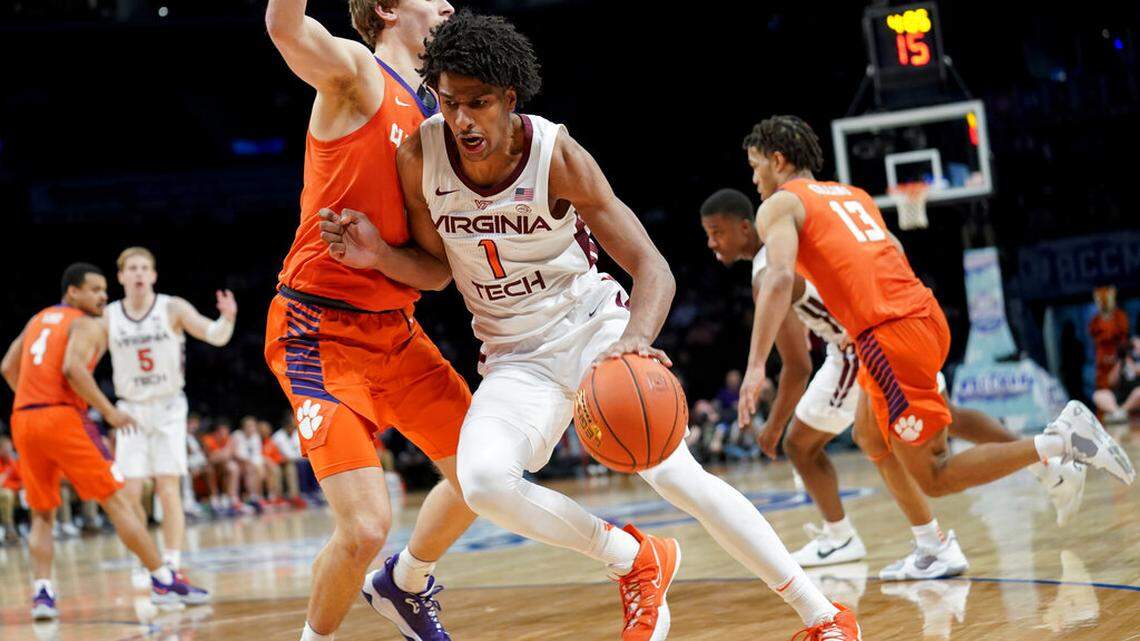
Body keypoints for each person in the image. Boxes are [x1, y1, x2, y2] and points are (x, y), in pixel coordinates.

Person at [321, 13, 861, 640]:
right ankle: (636, 561)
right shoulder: (420, 156)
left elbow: (652, 269)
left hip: (592, 332)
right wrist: (379, 257)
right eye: (449, 102)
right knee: (483, 482)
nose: (463, 119)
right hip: (513, 357)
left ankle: (822, 616)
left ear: (510, 99)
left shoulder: (558, 156)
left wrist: (634, 340)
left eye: (479, 103)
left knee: (673, 473)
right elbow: (438, 270)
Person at [737, 117, 1134, 561]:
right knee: (871, 436)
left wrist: (755, 368)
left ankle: (1063, 443)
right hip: (921, 314)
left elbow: (778, 279)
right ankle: (931, 547)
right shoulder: (854, 196)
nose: (754, 178)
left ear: (777, 159)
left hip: (887, 336)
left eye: (755, 166)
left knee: (935, 475)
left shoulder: (779, 204)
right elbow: (894, 253)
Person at [701, 187, 1086, 580]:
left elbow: (798, 366)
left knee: (808, 444)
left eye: (717, 232)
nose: (711, 242)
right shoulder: (813, 230)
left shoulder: (770, 268)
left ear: (746, 226)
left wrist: (774, 421)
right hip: (898, 324)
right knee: (929, 425)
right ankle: (1034, 473)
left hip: (861, 348)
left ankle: (850, 538)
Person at [263, 1, 478, 639]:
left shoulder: (439, 123)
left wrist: (382, 255)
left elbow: (435, 273)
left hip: (395, 331)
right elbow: (284, 28)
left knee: (488, 476)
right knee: (362, 528)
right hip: (316, 330)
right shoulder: (358, 75)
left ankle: (403, 583)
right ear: (386, 8)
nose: (446, 3)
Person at [0, 263, 207, 620]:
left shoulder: (37, 319)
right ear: (72, 293)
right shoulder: (83, 323)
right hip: (63, 418)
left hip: (24, 418)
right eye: (94, 289)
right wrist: (109, 412)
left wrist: (34, 400)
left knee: (42, 514)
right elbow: (72, 369)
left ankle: (43, 594)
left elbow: (7, 367)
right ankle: (162, 578)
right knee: (118, 504)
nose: (102, 296)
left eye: (104, 290)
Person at [104, 246, 236, 575]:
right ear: (121, 276)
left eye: (143, 268)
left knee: (167, 486)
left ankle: (172, 560)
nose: (137, 273)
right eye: (131, 268)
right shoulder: (108, 316)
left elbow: (215, 336)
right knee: (130, 491)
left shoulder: (172, 307)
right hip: (130, 409)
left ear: (153, 275)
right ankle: (146, 561)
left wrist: (227, 318)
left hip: (167, 406)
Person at [1088, 285, 1129, 392]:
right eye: (1099, 300)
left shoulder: (1120, 317)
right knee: (1103, 387)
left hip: (1119, 358)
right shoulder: (1095, 320)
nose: (1103, 303)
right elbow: (1094, 334)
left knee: (1122, 384)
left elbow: (1123, 335)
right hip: (1102, 360)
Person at [1093, 336, 1140, 423]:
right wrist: (1120, 362)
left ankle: (1121, 412)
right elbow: (1111, 382)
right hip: (1120, 399)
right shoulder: (1123, 361)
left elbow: (1136, 370)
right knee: (1099, 394)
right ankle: (1116, 412)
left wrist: (1132, 364)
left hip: (1134, 401)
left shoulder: (1135, 362)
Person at [0, 434, 21, 544]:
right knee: (7, 494)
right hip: (6, 492)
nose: (9, 450)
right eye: (6, 447)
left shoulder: (14, 461)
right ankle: (9, 529)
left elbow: (22, 480)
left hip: (15, 491)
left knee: (31, 494)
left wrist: (15, 486)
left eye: (10, 447)